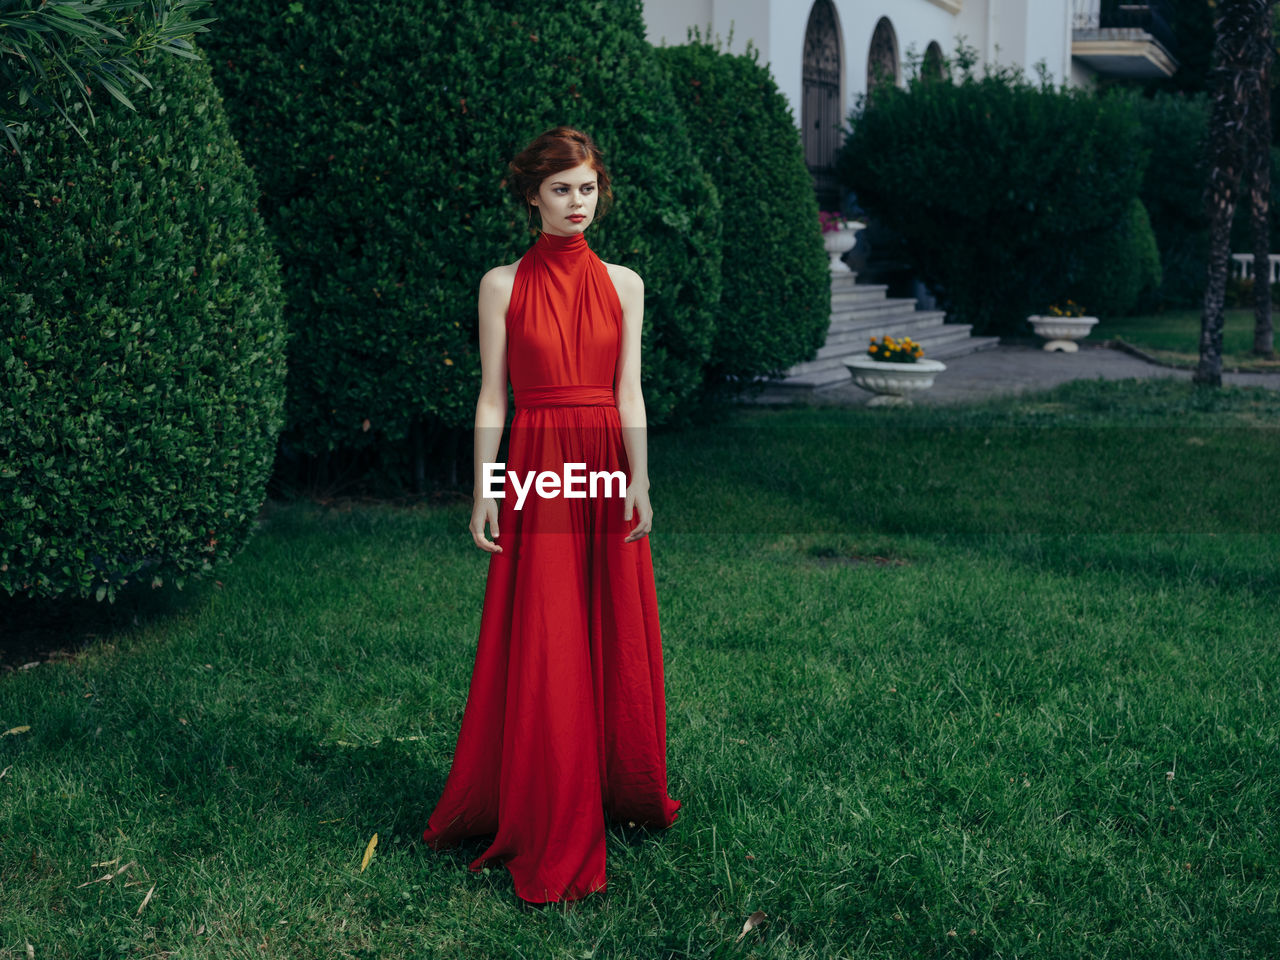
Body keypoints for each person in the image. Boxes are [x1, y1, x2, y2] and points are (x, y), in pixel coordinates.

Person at [421, 126, 682, 905]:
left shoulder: (625, 283)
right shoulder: (501, 284)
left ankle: (614, 783)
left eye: (589, 188)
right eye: (562, 189)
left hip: (602, 456)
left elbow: (629, 389)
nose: (578, 203)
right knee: (546, 629)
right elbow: (493, 396)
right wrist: (484, 486)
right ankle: (544, 803)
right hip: (537, 459)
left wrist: (639, 477)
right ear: (532, 195)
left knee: (606, 619)